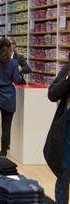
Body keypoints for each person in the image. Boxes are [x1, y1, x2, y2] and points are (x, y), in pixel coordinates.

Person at [46, 56, 70, 204]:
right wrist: (68, 81)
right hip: (66, 132)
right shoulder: (66, 70)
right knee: (64, 174)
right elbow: (52, 94)